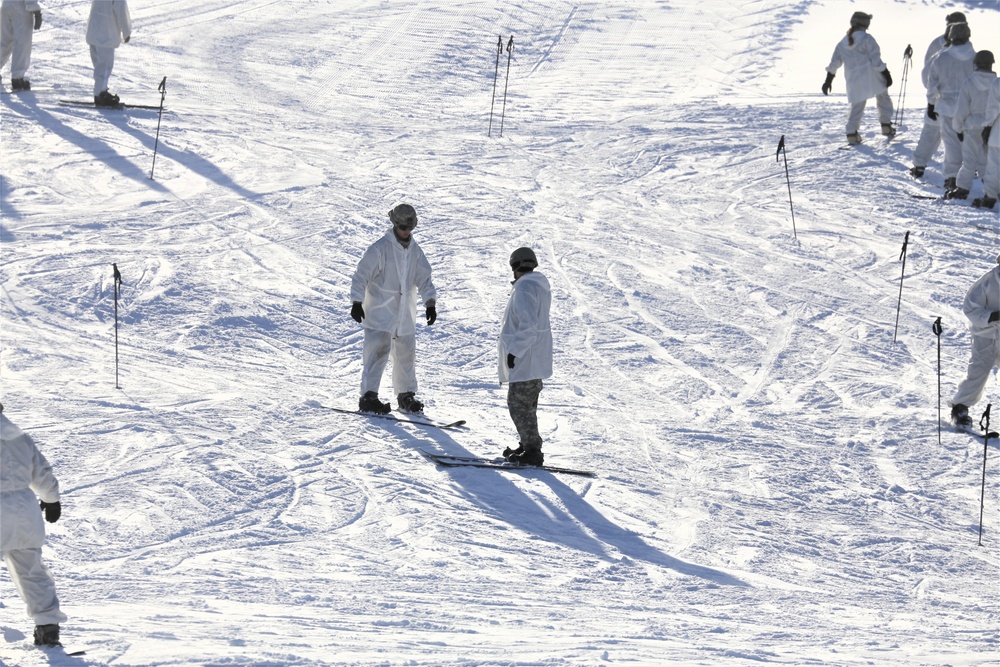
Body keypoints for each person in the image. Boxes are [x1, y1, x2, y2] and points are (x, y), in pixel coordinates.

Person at [350, 204, 437, 414]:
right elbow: (361, 275)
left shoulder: (415, 251)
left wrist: (430, 303)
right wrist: (356, 301)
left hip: (404, 315)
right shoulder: (380, 249)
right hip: (380, 313)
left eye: (409, 227)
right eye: (402, 227)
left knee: (406, 355)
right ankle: (368, 397)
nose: (406, 231)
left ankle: (406, 396)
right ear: (394, 224)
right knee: (377, 353)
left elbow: (424, 278)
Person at [0, 404, 67, 647]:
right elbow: (42, 472)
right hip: (23, 510)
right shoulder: (19, 437)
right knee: (31, 569)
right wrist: (52, 499)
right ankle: (48, 626)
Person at [498, 247, 552, 467]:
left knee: (518, 404)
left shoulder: (524, 289)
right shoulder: (538, 286)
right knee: (527, 405)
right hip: (535, 357)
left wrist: (514, 352)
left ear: (514, 267)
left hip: (526, 358)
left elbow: (527, 327)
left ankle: (532, 451)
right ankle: (528, 443)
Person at [822, 11, 894, 146]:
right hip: (872, 76)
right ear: (865, 24)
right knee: (883, 97)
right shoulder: (867, 39)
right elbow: (876, 60)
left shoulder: (842, 43)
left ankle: (851, 133)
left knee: (857, 105)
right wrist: (886, 73)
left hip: (854, 79)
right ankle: (886, 125)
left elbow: (834, 63)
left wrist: (828, 80)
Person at [911, 12, 967, 178]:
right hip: (940, 99)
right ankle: (919, 164)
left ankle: (966, 169)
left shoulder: (965, 48)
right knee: (932, 132)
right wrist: (932, 98)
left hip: (957, 101)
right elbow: (927, 74)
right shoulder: (938, 46)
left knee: (960, 136)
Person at [951, 256, 1000, 428]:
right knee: (978, 370)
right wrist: (993, 316)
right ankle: (960, 408)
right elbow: (970, 307)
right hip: (984, 335)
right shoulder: (988, 281)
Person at [926, 21, 976, 190]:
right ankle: (971, 173)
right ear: (968, 35)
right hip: (970, 107)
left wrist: (931, 103)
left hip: (947, 107)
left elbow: (932, 83)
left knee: (951, 142)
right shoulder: (975, 58)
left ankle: (952, 177)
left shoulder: (941, 58)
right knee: (970, 141)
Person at [949, 51, 997, 200]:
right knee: (991, 161)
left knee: (969, 159)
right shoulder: (997, 83)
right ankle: (992, 190)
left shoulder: (969, 82)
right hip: (992, 127)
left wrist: (957, 127)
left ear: (976, 63)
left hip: (972, 127)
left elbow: (961, 109)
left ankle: (962, 188)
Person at [86, 0, 131, 107]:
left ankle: (102, 91)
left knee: (98, 66)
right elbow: (122, 12)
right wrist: (126, 32)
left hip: (93, 33)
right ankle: (100, 95)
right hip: (106, 35)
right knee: (104, 67)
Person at [0, 0, 42, 91]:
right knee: (22, 43)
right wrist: (36, 10)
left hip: (5, 5)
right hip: (20, 8)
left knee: (5, 42)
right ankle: (17, 78)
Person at [975, 74, 1000, 209]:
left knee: (994, 166)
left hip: (998, 134)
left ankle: (990, 197)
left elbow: (993, 110)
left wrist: (987, 127)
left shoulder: (997, 84)